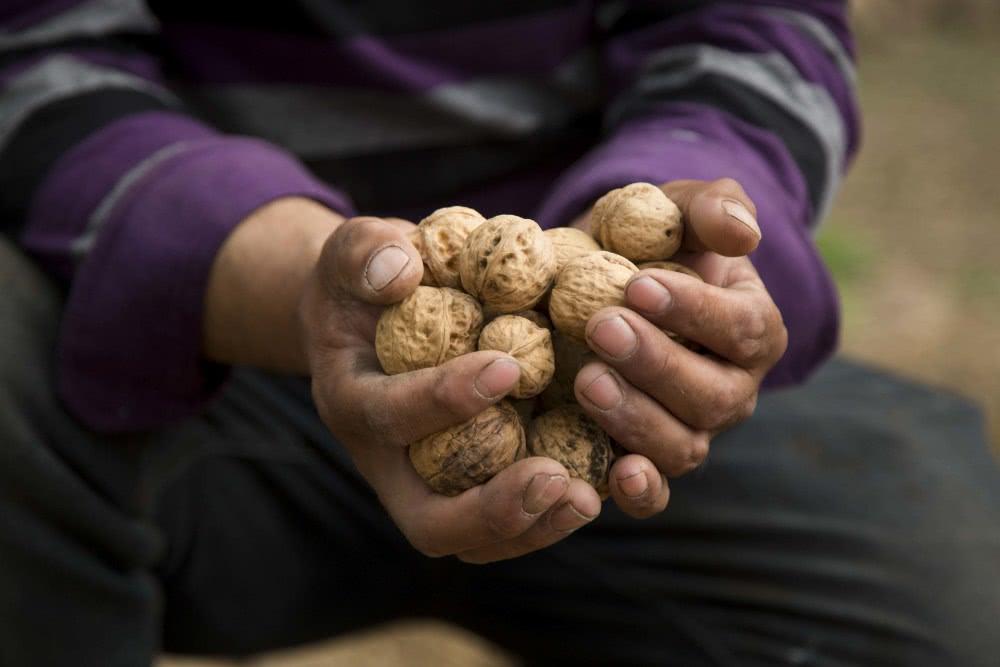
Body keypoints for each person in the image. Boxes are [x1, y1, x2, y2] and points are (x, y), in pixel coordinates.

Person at [1, 2, 998, 665]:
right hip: (200, 333)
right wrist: (295, 285)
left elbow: (755, 26)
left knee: (953, 590)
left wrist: (694, 228)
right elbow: (37, 57)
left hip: (606, 381)